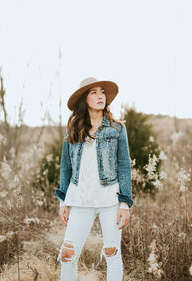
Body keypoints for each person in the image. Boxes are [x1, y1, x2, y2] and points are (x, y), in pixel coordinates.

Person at [55, 77, 133, 281]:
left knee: (112, 253)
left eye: (102, 92)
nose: (100, 96)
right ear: (84, 99)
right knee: (67, 255)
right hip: (80, 199)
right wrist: (63, 202)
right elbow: (66, 167)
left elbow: (124, 166)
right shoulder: (73, 130)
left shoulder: (117, 129)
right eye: (94, 92)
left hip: (110, 201)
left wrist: (125, 204)